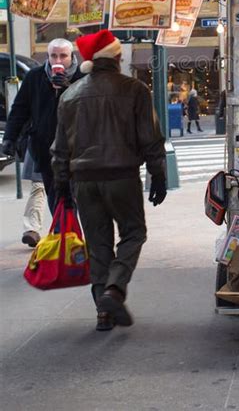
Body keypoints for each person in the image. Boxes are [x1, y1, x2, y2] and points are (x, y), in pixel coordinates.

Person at [51, 29, 167, 332]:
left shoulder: (70, 96)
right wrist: (158, 174)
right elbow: (150, 138)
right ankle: (114, 289)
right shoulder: (134, 90)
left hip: (84, 181)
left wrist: (62, 183)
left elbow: (60, 148)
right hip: (122, 176)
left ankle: (103, 312)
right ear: (116, 57)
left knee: (98, 245)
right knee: (133, 233)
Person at [2, 38, 82, 214]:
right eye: (54, 56)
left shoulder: (82, 77)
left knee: (79, 197)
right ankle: (66, 236)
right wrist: (9, 137)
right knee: (55, 197)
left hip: (77, 149)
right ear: (48, 57)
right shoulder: (35, 76)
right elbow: (20, 110)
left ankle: (79, 235)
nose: (58, 61)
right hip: (46, 149)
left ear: (72, 56)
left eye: (63, 56)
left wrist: (66, 88)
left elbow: (88, 109)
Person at [20, 146, 46, 247]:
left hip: (38, 145)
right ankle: (65, 230)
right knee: (66, 190)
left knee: (38, 188)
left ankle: (32, 229)